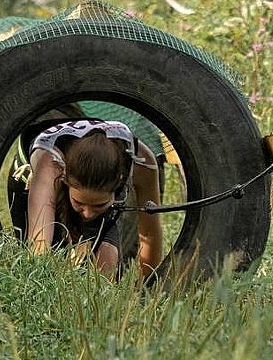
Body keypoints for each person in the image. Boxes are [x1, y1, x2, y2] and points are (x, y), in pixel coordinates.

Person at [8, 118, 163, 279]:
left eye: (99, 204)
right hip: (30, 175)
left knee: (107, 257)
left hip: (95, 164)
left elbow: (149, 233)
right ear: (65, 177)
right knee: (49, 261)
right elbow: (39, 250)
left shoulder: (142, 161)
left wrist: (148, 284)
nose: (88, 214)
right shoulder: (51, 166)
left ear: (120, 181)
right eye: (79, 203)